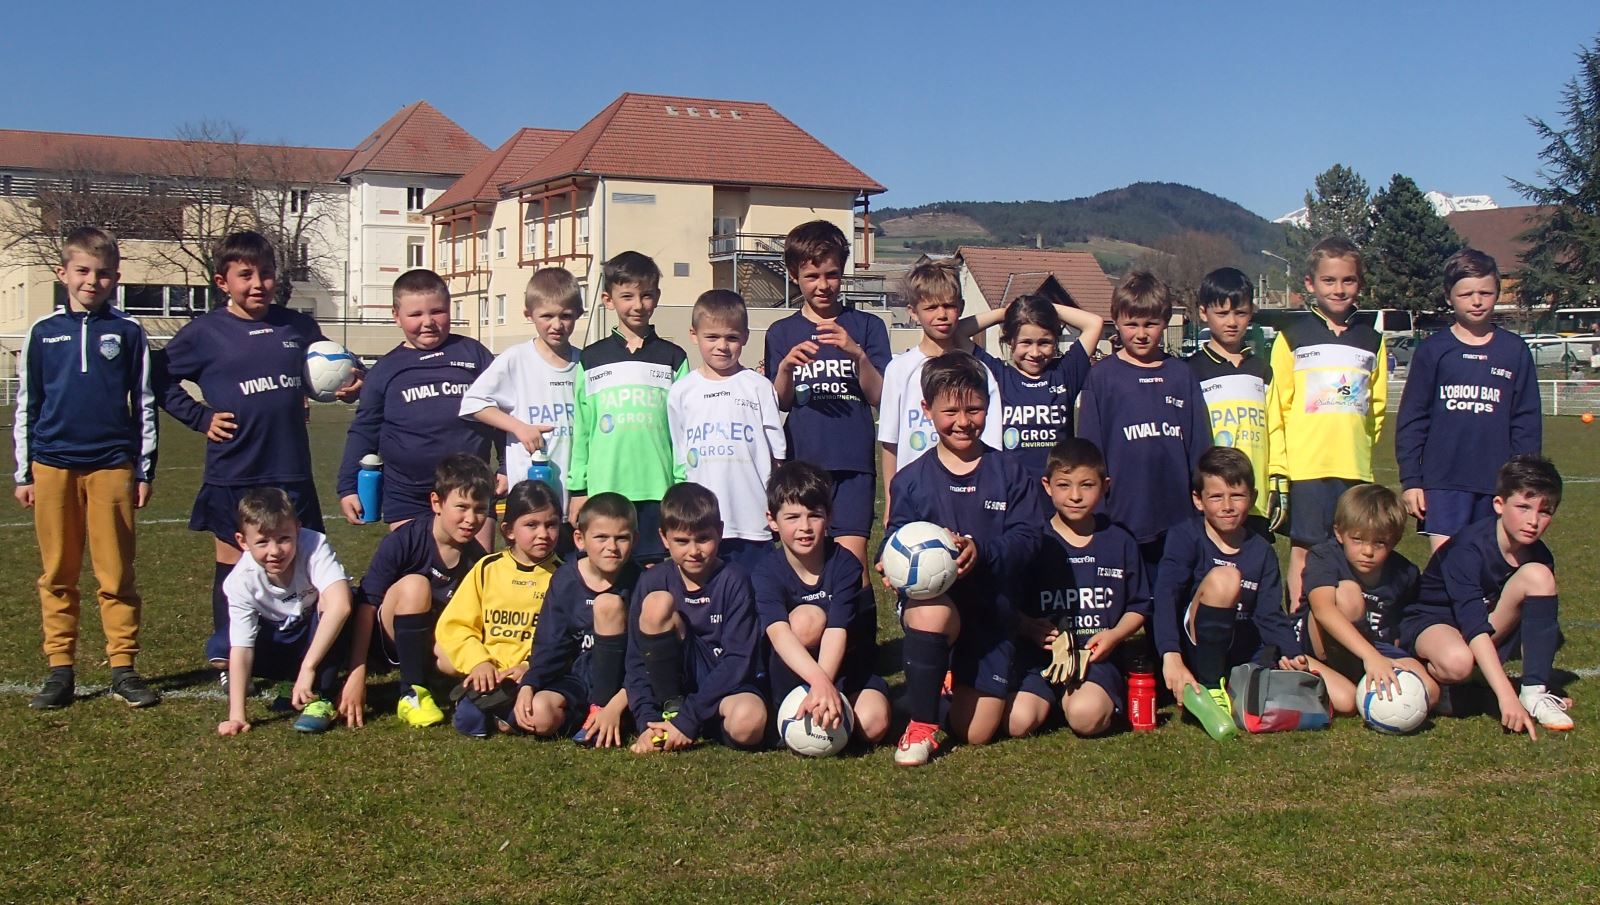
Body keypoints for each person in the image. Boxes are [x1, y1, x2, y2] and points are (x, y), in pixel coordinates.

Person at [158, 230, 360, 671]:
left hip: (289, 467)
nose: (258, 284)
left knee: (301, 559)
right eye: (245, 275)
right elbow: (158, 377)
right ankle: (227, 652)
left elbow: (337, 362)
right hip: (234, 468)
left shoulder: (297, 326)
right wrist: (199, 417)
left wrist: (351, 382)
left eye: (266, 274)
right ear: (222, 281)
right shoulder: (204, 333)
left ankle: (306, 652)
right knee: (233, 562)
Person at [14, 226, 160, 710]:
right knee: (58, 572)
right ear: (63, 273)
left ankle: (123, 668)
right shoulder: (42, 332)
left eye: (103, 273)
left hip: (111, 466)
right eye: (82, 271)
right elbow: (29, 404)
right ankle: (60, 669)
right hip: (52, 465)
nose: (92, 281)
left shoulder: (128, 332)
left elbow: (144, 403)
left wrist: (143, 470)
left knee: (115, 573)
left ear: (116, 277)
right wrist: (24, 472)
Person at [880, 352, 1048, 765]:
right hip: (938, 607)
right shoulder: (911, 480)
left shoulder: (1010, 473)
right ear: (927, 410)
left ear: (988, 408)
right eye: (950, 411)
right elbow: (895, 536)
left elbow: (1031, 539)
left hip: (993, 612)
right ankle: (921, 723)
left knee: (976, 732)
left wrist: (982, 550)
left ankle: (933, 684)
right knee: (930, 612)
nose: (963, 421)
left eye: (974, 410)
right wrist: (890, 562)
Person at [1398, 455, 1571, 735]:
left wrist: (1533, 683)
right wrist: (1506, 697)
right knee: (1458, 662)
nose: (1533, 521)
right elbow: (1473, 624)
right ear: (1499, 504)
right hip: (1433, 624)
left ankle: (1534, 692)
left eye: (1545, 511)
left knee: (1538, 575)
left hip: (1480, 628)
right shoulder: (1467, 549)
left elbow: (1533, 624)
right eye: (1523, 507)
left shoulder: (1539, 555)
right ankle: (1427, 679)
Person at [763, 219, 890, 576]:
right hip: (803, 463)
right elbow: (781, 403)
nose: (823, 285)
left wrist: (858, 355)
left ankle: (857, 617)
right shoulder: (781, 332)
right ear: (794, 276)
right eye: (812, 276)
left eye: (831, 275)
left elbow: (879, 395)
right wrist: (785, 369)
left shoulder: (868, 326)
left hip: (852, 462)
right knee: (808, 563)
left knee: (851, 564)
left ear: (843, 272)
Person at [1266, 237, 1386, 611]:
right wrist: (1280, 468)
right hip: (1307, 469)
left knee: (1351, 554)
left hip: (1354, 469)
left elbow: (1376, 409)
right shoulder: (1291, 337)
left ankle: (1338, 629)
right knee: (1304, 551)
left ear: (1360, 284)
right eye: (1329, 280)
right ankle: (1298, 625)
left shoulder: (1372, 340)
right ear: (1310, 284)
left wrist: (1361, 452)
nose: (1339, 289)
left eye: (1348, 280)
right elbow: (1278, 407)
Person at [1153, 448, 1310, 726]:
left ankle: (1239, 682)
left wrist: (1291, 651)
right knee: (1226, 578)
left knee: (1342, 697)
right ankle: (1210, 686)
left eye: (1237, 495)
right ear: (1198, 500)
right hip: (1197, 648)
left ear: (1253, 498)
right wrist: (1171, 655)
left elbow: (1269, 613)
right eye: (1216, 497)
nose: (1227, 505)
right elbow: (1166, 595)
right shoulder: (1185, 536)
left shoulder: (1261, 550)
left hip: (1243, 649)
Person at [337, 269, 496, 542]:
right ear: (396, 316)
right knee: (416, 564)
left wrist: (505, 467)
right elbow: (364, 430)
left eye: (437, 311)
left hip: (472, 489)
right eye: (415, 314)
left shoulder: (474, 354)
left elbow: (503, 412)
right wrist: (348, 486)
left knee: (477, 566)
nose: (428, 322)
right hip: (408, 494)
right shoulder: (386, 369)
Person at [1396, 249, 1540, 550]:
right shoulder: (1433, 351)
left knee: (1493, 565)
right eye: (1466, 294)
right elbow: (1413, 420)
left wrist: (1523, 482)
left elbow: (1526, 422)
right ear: (1449, 296)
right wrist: (1412, 481)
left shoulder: (1514, 351)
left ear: (1497, 292)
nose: (1477, 301)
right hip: (1443, 484)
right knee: (1446, 566)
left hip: (1498, 485)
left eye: (1485, 293)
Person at [1010, 439, 1149, 738]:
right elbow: (1009, 605)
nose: (1075, 496)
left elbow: (1139, 606)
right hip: (1042, 660)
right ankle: (1053, 699)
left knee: (1085, 717)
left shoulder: (1120, 541)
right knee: (1018, 722)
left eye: (1087, 485)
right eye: (1064, 485)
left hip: (1095, 660)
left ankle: (1086, 700)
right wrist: (1028, 627)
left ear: (1105, 486)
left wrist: (1115, 635)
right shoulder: (1034, 541)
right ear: (1047, 486)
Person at [1078, 271, 1212, 570]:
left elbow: (1200, 448)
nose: (1141, 333)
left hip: (1177, 516)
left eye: (1150, 324)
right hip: (1123, 516)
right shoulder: (1101, 378)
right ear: (1116, 320)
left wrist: (1204, 501)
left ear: (1165, 322)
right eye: (1132, 324)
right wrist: (1096, 510)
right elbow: (1090, 452)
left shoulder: (1181, 375)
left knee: (1174, 592)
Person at [348, 454, 493, 728]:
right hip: (387, 640)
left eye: (480, 509)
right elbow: (367, 606)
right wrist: (357, 672)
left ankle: (437, 682)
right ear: (436, 503)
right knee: (416, 586)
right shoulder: (405, 540)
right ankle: (411, 692)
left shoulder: (477, 559)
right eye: (461, 507)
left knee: (461, 660)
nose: (471, 519)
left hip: (432, 640)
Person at [754, 461, 890, 746]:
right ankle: (794, 706)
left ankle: (830, 710)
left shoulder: (846, 565)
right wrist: (818, 683)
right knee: (806, 619)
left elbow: (838, 630)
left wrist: (824, 684)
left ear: (829, 516)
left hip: (845, 671)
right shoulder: (765, 571)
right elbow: (778, 633)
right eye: (792, 517)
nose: (804, 527)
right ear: (772, 520)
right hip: (793, 676)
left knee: (874, 723)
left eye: (814, 516)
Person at [626, 482, 767, 753]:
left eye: (703, 539)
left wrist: (689, 719)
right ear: (664, 538)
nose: (693, 551)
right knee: (657, 604)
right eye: (681, 541)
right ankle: (669, 716)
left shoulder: (734, 579)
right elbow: (636, 661)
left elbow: (738, 660)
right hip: (678, 688)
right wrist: (646, 722)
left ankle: (696, 726)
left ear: (720, 532)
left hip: (725, 687)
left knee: (749, 723)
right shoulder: (652, 580)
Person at [566, 252, 687, 564]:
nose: (638, 305)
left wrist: (681, 485)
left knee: (653, 575)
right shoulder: (591, 359)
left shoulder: (674, 358)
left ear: (657, 297)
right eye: (627, 296)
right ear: (608, 300)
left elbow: (684, 430)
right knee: (608, 571)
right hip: (605, 492)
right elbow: (582, 430)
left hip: (659, 492)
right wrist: (578, 490)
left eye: (646, 295)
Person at [215, 488, 356, 736]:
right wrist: (237, 716)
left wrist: (308, 667)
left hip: (314, 628)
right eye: (262, 542)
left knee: (334, 600)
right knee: (221, 648)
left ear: (298, 530)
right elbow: (242, 647)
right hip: (284, 633)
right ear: (242, 541)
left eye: (284, 539)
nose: (275, 551)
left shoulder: (314, 544)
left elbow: (341, 604)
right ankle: (290, 680)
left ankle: (322, 696)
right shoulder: (240, 581)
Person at [459, 267, 583, 547]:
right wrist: (519, 428)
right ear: (529, 315)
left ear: (578, 313)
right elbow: (473, 404)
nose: (557, 325)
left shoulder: (584, 362)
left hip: (575, 495)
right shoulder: (516, 359)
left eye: (566, 316)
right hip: (530, 497)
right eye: (547, 316)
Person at [434, 479, 562, 738]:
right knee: (469, 721)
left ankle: (504, 710)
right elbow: (456, 625)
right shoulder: (487, 568)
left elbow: (565, 638)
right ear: (509, 530)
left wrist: (531, 667)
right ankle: (481, 700)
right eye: (531, 525)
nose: (543, 534)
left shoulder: (563, 576)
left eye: (551, 525)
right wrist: (479, 662)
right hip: (488, 671)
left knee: (533, 719)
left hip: (530, 674)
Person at [668, 290, 786, 567]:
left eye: (731, 338)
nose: (722, 346)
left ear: (745, 337)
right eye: (712, 337)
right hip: (701, 526)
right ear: (694, 335)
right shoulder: (681, 391)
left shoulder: (759, 387)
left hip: (753, 524)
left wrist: (776, 509)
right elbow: (681, 459)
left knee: (755, 591)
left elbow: (778, 457)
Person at [515, 493, 641, 746]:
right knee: (539, 713)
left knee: (608, 604)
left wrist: (617, 703)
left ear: (635, 540)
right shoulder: (565, 579)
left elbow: (642, 658)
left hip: (622, 684)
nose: (612, 547)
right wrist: (529, 684)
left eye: (621, 538)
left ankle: (607, 713)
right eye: (601, 537)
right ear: (580, 539)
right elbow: (550, 644)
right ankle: (588, 719)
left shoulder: (640, 582)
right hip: (577, 678)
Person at [878, 259, 1003, 512]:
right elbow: (890, 443)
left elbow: (992, 443)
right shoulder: (899, 369)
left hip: (970, 491)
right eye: (931, 307)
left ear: (961, 308)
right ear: (913, 311)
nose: (941, 315)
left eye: (949, 306)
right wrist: (891, 501)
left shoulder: (979, 371)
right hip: (915, 495)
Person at [1303, 483, 1439, 716]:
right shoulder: (1324, 556)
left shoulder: (1405, 573)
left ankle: (1360, 681)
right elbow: (1323, 609)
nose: (1368, 551)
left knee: (1429, 691)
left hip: (1376, 646)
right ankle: (1305, 668)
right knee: (1348, 593)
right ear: (1339, 533)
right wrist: (1371, 657)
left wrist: (1392, 655)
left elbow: (1406, 622)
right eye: (1358, 539)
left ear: (1395, 540)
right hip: (1321, 648)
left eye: (1379, 542)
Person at [959, 292, 1104, 481]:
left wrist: (1044, 306)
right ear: (1010, 341)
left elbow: (1094, 323)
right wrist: (1004, 313)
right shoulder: (997, 375)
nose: (1035, 353)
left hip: (1058, 490)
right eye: (1026, 343)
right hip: (1011, 488)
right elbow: (958, 332)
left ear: (1055, 341)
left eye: (1044, 343)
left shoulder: (1065, 374)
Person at [1186, 268, 1273, 525]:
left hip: (1255, 496)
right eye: (1222, 313)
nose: (1232, 322)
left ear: (1251, 312)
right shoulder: (1190, 371)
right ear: (1204, 313)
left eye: (1240, 313)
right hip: (1213, 497)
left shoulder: (1262, 370)